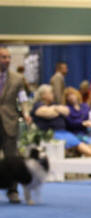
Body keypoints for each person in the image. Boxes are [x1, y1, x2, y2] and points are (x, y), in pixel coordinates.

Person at [0, 46, 31, 203]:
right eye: (3, 57)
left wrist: (26, 113)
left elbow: (23, 98)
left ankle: (13, 191)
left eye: (8, 57)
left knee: (12, 160)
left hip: (10, 122)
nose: (7, 60)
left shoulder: (17, 79)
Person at [31, 84, 91, 157]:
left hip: (64, 132)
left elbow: (66, 111)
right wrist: (57, 110)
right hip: (51, 133)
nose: (53, 94)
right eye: (50, 93)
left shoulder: (54, 104)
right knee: (79, 144)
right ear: (43, 95)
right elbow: (45, 113)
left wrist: (54, 108)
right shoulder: (37, 105)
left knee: (86, 140)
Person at [63, 86, 91, 156]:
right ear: (66, 99)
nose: (71, 97)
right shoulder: (67, 109)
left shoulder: (85, 106)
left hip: (89, 133)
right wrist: (82, 123)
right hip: (76, 134)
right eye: (68, 96)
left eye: (72, 94)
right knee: (90, 144)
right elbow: (70, 122)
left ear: (77, 94)